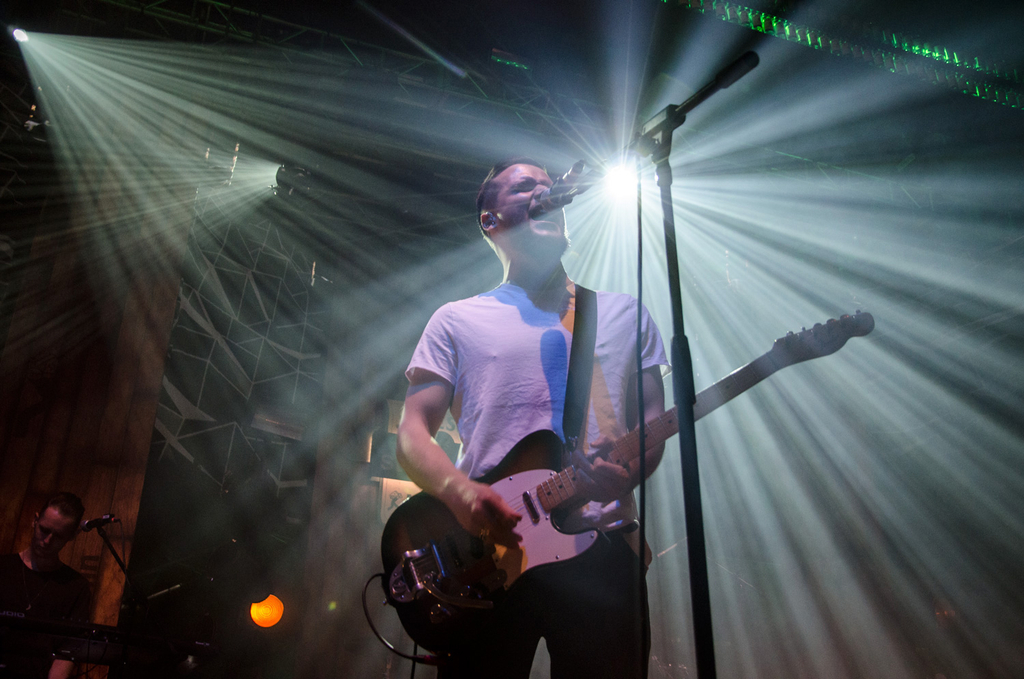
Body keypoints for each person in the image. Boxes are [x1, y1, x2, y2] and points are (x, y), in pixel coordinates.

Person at [396, 158, 668, 678]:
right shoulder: (455, 320)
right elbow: (412, 433)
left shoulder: (623, 314)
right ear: (490, 220)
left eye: (549, 186)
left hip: (604, 544)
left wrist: (628, 473)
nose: (546, 193)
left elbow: (653, 421)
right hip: (490, 553)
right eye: (525, 187)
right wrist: (460, 493)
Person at [0, 492, 92, 679]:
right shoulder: (3, 568)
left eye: (58, 536)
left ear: (72, 536)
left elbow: (67, 652)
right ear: (35, 521)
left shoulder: (76, 587)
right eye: (44, 530)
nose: (47, 540)